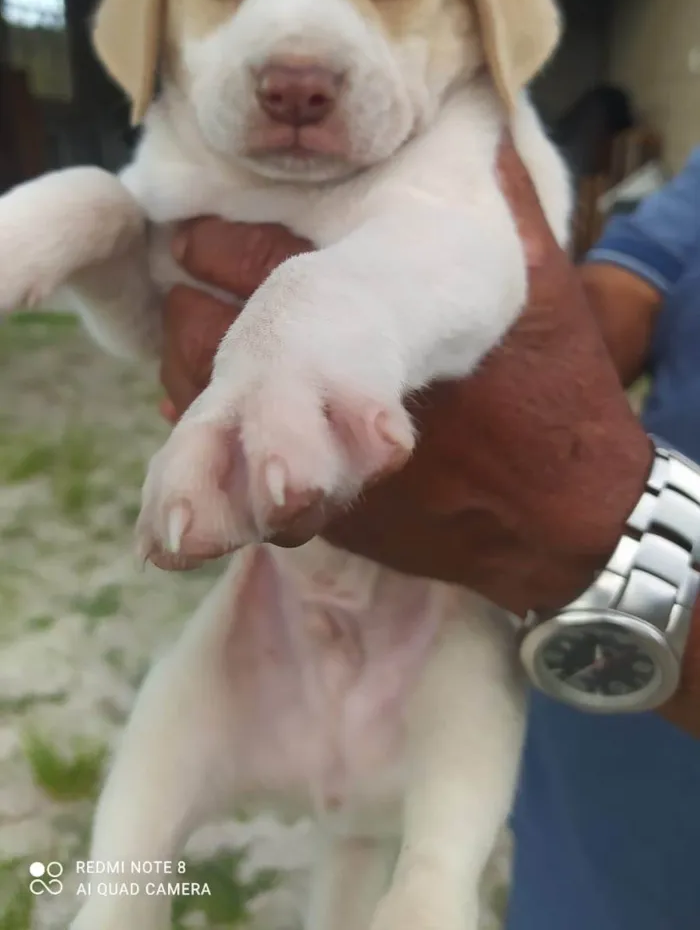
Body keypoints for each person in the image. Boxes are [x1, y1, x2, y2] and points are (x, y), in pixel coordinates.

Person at [157, 138, 700, 927]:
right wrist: (457, 321)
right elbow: (629, 289)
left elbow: (561, 512)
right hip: (586, 766)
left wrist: (581, 528)